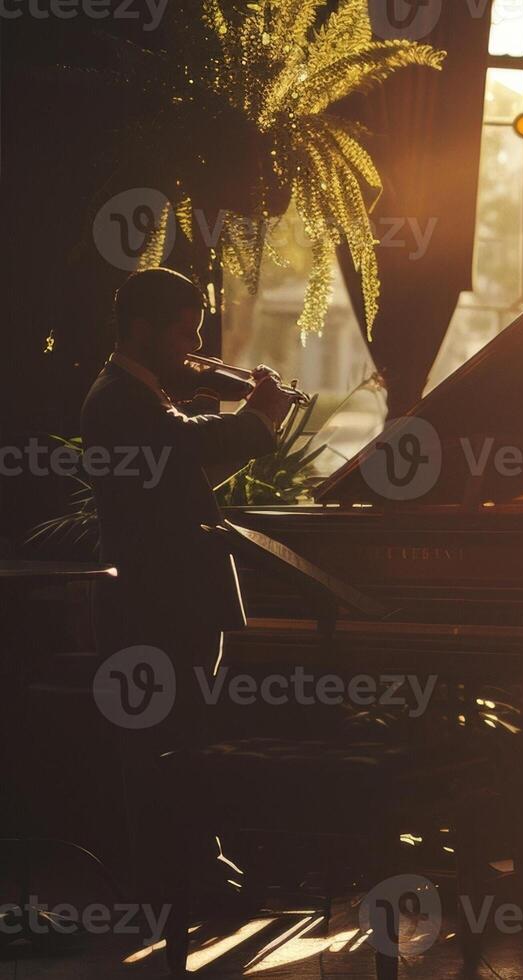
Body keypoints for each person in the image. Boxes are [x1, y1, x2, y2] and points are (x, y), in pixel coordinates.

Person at [81, 267, 296, 967]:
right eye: (185, 327)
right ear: (142, 328)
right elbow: (183, 446)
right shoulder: (122, 399)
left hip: (169, 601)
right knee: (168, 745)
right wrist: (258, 415)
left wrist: (233, 409)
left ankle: (193, 877)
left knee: (182, 738)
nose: (196, 341)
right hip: (158, 604)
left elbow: (180, 477)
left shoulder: (140, 397)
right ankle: (178, 885)